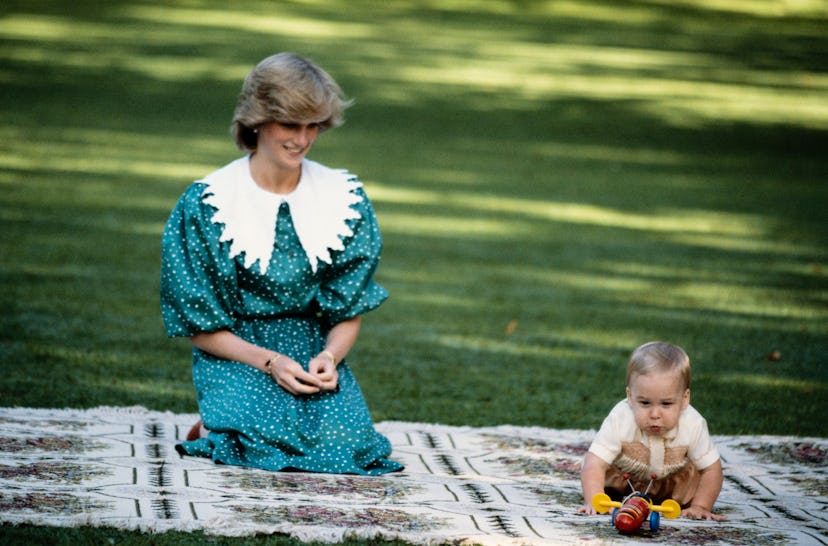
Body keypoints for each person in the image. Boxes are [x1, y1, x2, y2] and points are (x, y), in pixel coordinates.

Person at [160, 52, 403, 475]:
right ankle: (221, 424)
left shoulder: (343, 198)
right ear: (256, 121)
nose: (303, 139)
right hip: (237, 351)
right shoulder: (207, 203)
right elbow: (200, 327)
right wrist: (269, 362)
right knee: (264, 443)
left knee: (351, 446)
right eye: (291, 124)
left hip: (308, 351)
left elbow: (348, 308)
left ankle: (224, 425)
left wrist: (329, 356)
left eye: (314, 126)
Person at [578, 342, 725, 520]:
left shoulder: (693, 423)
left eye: (666, 404)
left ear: (685, 399)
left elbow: (712, 469)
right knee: (603, 482)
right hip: (623, 482)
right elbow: (594, 462)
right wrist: (594, 499)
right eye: (645, 403)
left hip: (673, 487)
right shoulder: (620, 417)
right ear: (630, 397)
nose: (655, 414)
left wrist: (701, 506)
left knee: (692, 486)